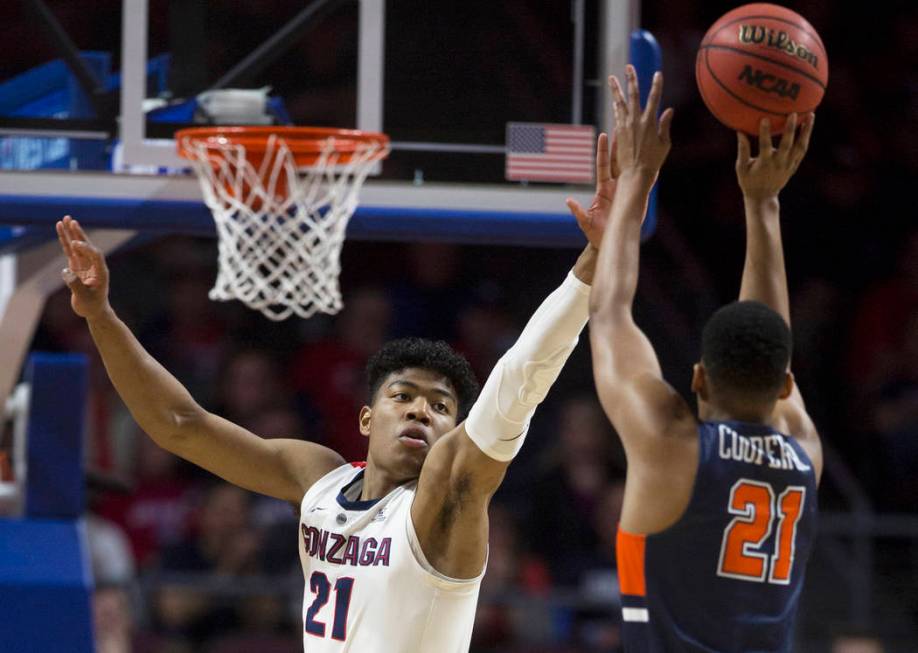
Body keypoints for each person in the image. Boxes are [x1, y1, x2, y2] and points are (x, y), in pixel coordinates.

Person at [54, 156, 627, 651]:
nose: (421, 411)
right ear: (367, 417)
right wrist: (101, 316)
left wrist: (592, 264)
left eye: (441, 406)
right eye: (403, 396)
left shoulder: (445, 504)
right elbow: (180, 425)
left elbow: (519, 381)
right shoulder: (319, 479)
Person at [583, 66, 821, 651]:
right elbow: (768, 334)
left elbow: (609, 310)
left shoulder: (671, 446)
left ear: (696, 378)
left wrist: (636, 176)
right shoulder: (804, 451)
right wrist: (763, 205)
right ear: (786, 383)